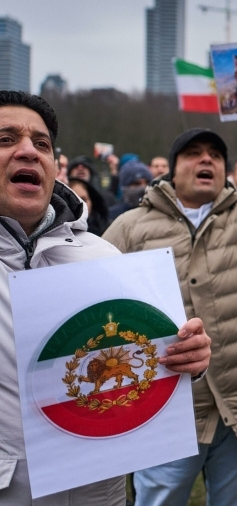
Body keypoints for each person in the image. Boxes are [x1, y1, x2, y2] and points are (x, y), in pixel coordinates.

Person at [103, 25, 237, 506]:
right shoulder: (130, 227)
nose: (207, 160)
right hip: (163, 409)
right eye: (194, 154)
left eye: (215, 155)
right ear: (172, 169)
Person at [0, 90, 211, 505]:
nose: (28, 151)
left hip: (100, 492)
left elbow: (143, 356)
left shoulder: (102, 256)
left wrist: (188, 357)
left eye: (41, 143)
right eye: (6, 139)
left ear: (54, 165)